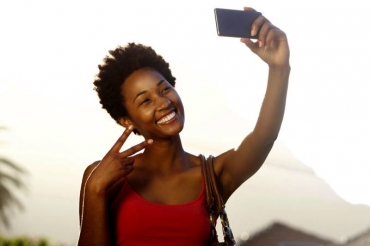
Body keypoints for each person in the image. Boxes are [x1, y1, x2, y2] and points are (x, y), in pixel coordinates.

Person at [77, 7, 290, 246]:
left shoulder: (211, 175)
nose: (163, 103)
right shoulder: (102, 178)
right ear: (126, 119)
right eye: (145, 100)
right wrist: (94, 189)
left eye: (165, 88)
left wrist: (279, 67)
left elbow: (264, 137)